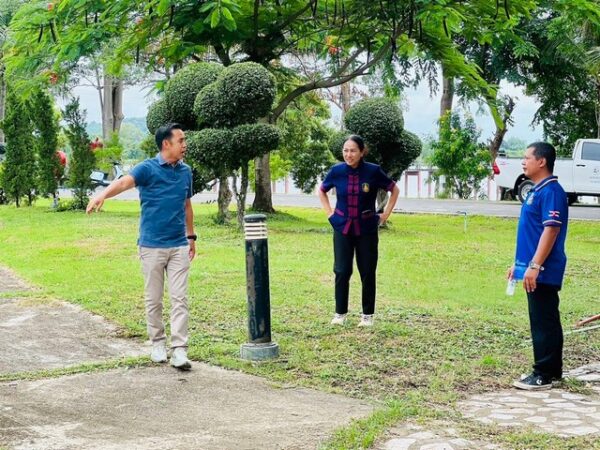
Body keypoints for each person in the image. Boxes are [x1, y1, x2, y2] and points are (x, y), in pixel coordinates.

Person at [86, 123, 196, 370]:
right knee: (154, 299)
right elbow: (124, 183)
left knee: (180, 299)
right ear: (166, 143)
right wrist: (102, 195)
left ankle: (179, 350)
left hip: (178, 245)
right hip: (151, 246)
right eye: (181, 140)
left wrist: (191, 237)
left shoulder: (186, 171)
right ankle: (158, 344)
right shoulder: (147, 168)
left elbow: (187, 205)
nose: (185, 144)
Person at [318, 135, 400, 327]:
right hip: (342, 227)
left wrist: (385, 214)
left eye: (353, 150)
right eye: (345, 150)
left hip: (367, 228)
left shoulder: (373, 171)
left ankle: (367, 316)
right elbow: (321, 190)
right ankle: (340, 314)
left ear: (362, 152)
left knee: (367, 271)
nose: (349, 154)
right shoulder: (336, 171)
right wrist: (329, 213)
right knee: (341, 270)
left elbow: (394, 189)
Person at [509, 142, 569, 390]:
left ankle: (544, 373)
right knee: (542, 319)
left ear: (541, 161)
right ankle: (551, 370)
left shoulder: (551, 191)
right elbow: (531, 233)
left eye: (527, 158)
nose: (523, 162)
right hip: (532, 267)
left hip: (543, 269)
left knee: (544, 320)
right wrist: (518, 266)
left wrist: (535, 265)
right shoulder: (537, 190)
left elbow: (551, 230)